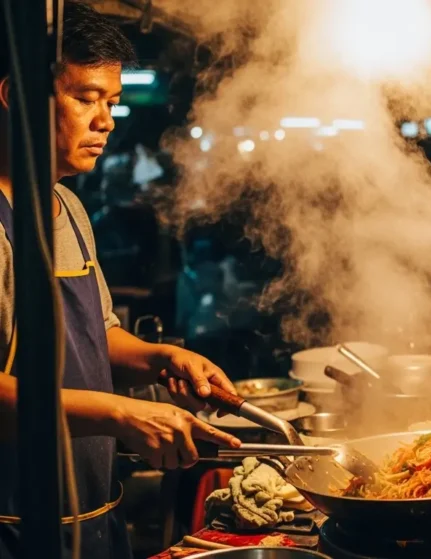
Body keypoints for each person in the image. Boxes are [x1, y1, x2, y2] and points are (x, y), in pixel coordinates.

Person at [0, 4, 241, 558]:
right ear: (16, 96)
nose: (106, 121)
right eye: (86, 98)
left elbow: (96, 335)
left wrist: (159, 358)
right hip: (13, 530)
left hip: (96, 515)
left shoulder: (69, 209)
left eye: (110, 102)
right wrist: (120, 413)